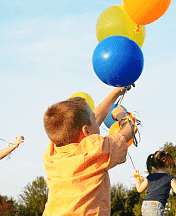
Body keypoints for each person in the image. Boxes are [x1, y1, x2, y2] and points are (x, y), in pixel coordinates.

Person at [42, 86, 135, 216]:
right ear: (86, 131)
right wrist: (122, 115)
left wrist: (116, 92)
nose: (97, 120)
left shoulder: (52, 152)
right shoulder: (95, 149)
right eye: (93, 117)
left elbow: (89, 123)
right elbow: (128, 131)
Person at [134, 150, 176, 216]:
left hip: (145, 205)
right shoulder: (169, 178)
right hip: (156, 205)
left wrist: (137, 178)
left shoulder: (150, 177)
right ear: (167, 164)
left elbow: (139, 189)